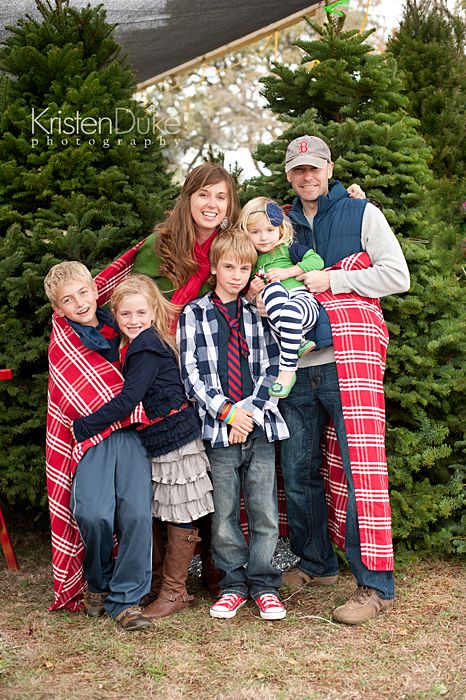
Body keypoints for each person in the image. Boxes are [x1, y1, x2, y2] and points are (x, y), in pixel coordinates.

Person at [277, 135, 410, 625]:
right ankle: (315, 562)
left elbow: (398, 276)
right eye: (298, 170)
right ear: (289, 175)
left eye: (314, 168)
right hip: (296, 367)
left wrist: (335, 280)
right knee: (298, 470)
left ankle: (373, 585)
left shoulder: (360, 213)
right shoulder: (280, 223)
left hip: (347, 360)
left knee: (361, 473)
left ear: (329, 168)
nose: (307, 177)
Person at [72, 274, 214, 619]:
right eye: (125, 315)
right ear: (116, 316)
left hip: (176, 438)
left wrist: (85, 425)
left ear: (154, 311)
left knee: (180, 509)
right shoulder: (135, 344)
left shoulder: (147, 346)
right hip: (157, 439)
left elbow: (128, 400)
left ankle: (174, 591)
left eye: (141, 313)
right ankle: (151, 582)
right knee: (157, 508)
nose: (133, 321)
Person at [178, 230, 290, 620]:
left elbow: (276, 367)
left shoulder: (259, 314)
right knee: (224, 512)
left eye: (245, 268)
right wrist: (228, 412)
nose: (237, 275)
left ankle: (264, 584)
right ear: (214, 267)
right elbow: (191, 375)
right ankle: (232, 585)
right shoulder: (194, 314)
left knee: (264, 511)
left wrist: (250, 414)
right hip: (218, 430)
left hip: (258, 427)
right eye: (229, 266)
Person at [43, 262, 152, 631]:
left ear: (95, 289)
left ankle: (127, 599)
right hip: (91, 439)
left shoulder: (117, 325)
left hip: (131, 432)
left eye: (84, 293)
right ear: (59, 309)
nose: (79, 303)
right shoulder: (64, 341)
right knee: (93, 513)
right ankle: (98, 582)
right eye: (68, 300)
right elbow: (74, 392)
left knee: (137, 515)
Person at [239, 196, 324, 398]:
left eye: (269, 230)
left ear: (281, 229)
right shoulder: (252, 262)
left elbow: (317, 261)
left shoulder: (289, 249)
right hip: (279, 317)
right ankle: (297, 341)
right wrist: (252, 290)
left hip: (303, 305)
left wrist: (289, 272)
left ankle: (287, 372)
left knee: (288, 306)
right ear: (246, 234)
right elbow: (245, 296)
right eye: (255, 232)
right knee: (271, 290)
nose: (264, 237)